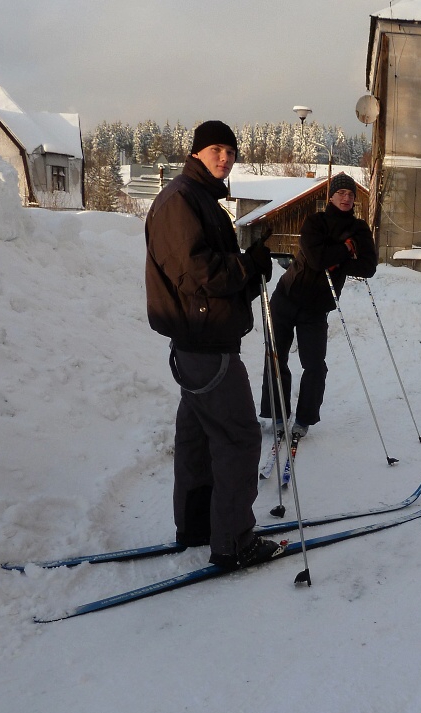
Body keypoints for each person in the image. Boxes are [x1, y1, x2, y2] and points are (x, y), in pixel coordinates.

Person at [144, 120, 283, 570]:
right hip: (205, 345)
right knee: (239, 438)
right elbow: (197, 273)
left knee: (200, 439)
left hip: (199, 342)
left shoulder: (198, 198)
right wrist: (246, 267)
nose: (224, 158)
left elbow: (211, 272)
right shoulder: (181, 200)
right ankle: (233, 541)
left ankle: (199, 525)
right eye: (216, 149)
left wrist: (249, 266)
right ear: (197, 153)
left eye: (230, 151)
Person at [259, 172, 378, 436]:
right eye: (341, 193)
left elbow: (369, 267)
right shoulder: (315, 222)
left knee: (314, 364)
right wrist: (346, 250)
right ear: (331, 197)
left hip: (317, 306)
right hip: (287, 297)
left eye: (350, 194)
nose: (346, 198)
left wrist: (334, 260)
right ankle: (278, 415)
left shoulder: (359, 229)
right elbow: (314, 259)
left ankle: (304, 419)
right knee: (276, 357)